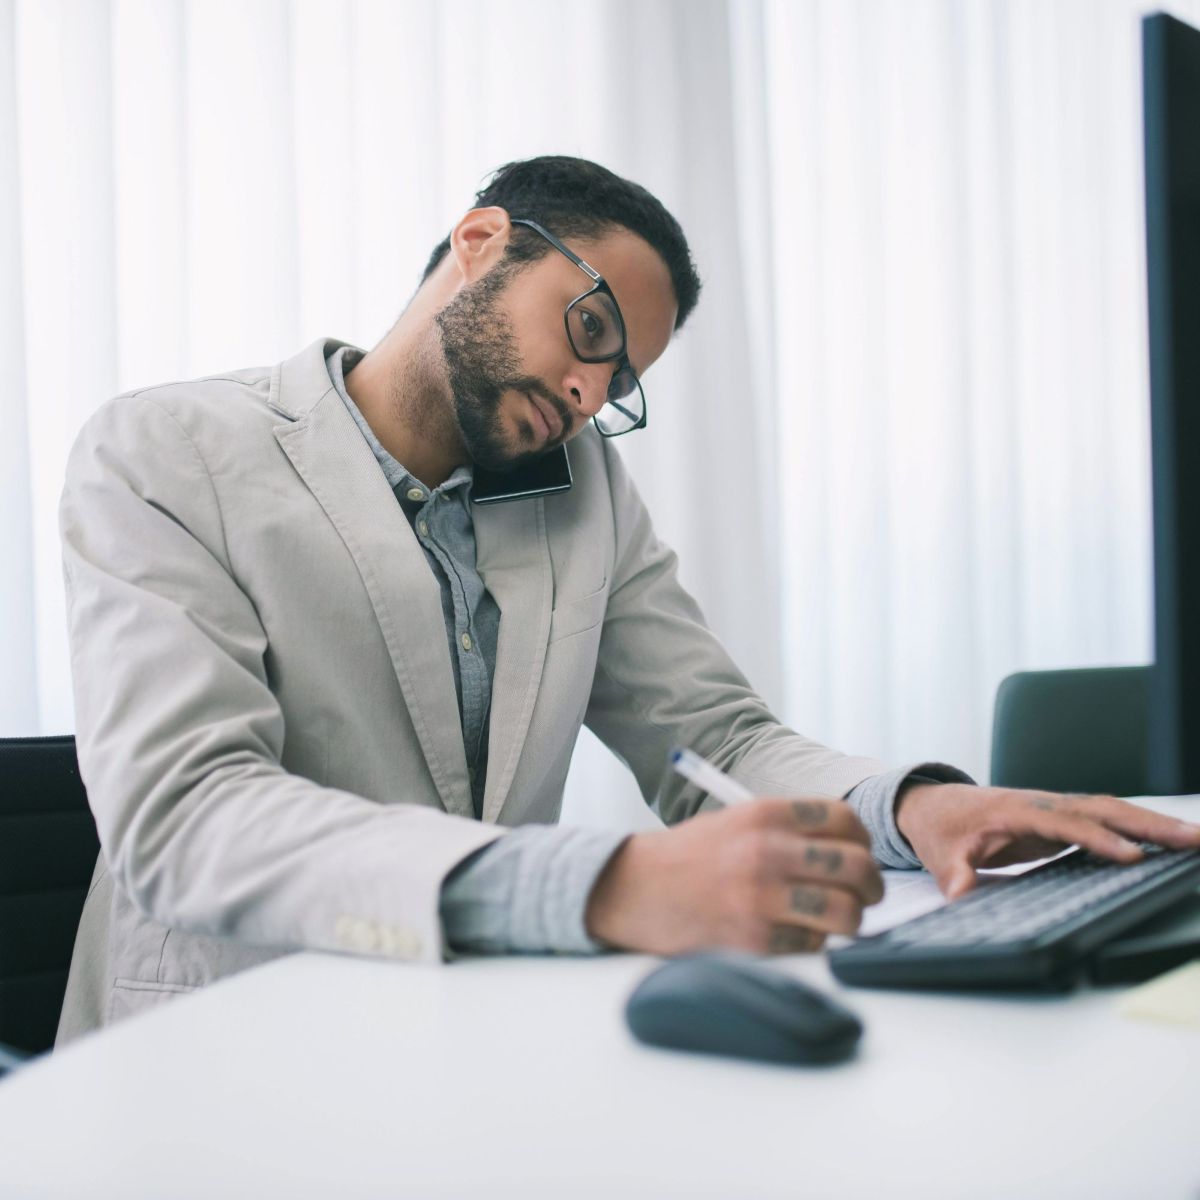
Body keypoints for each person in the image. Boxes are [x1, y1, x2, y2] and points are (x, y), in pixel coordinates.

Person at [56, 155, 1200, 1043]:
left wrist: (915, 808)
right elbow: (187, 814)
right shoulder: (168, 449)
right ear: (480, 242)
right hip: (218, 1058)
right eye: (590, 331)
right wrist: (606, 884)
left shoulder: (584, 488)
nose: (587, 393)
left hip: (465, 1036)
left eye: (619, 381)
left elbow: (712, 738)